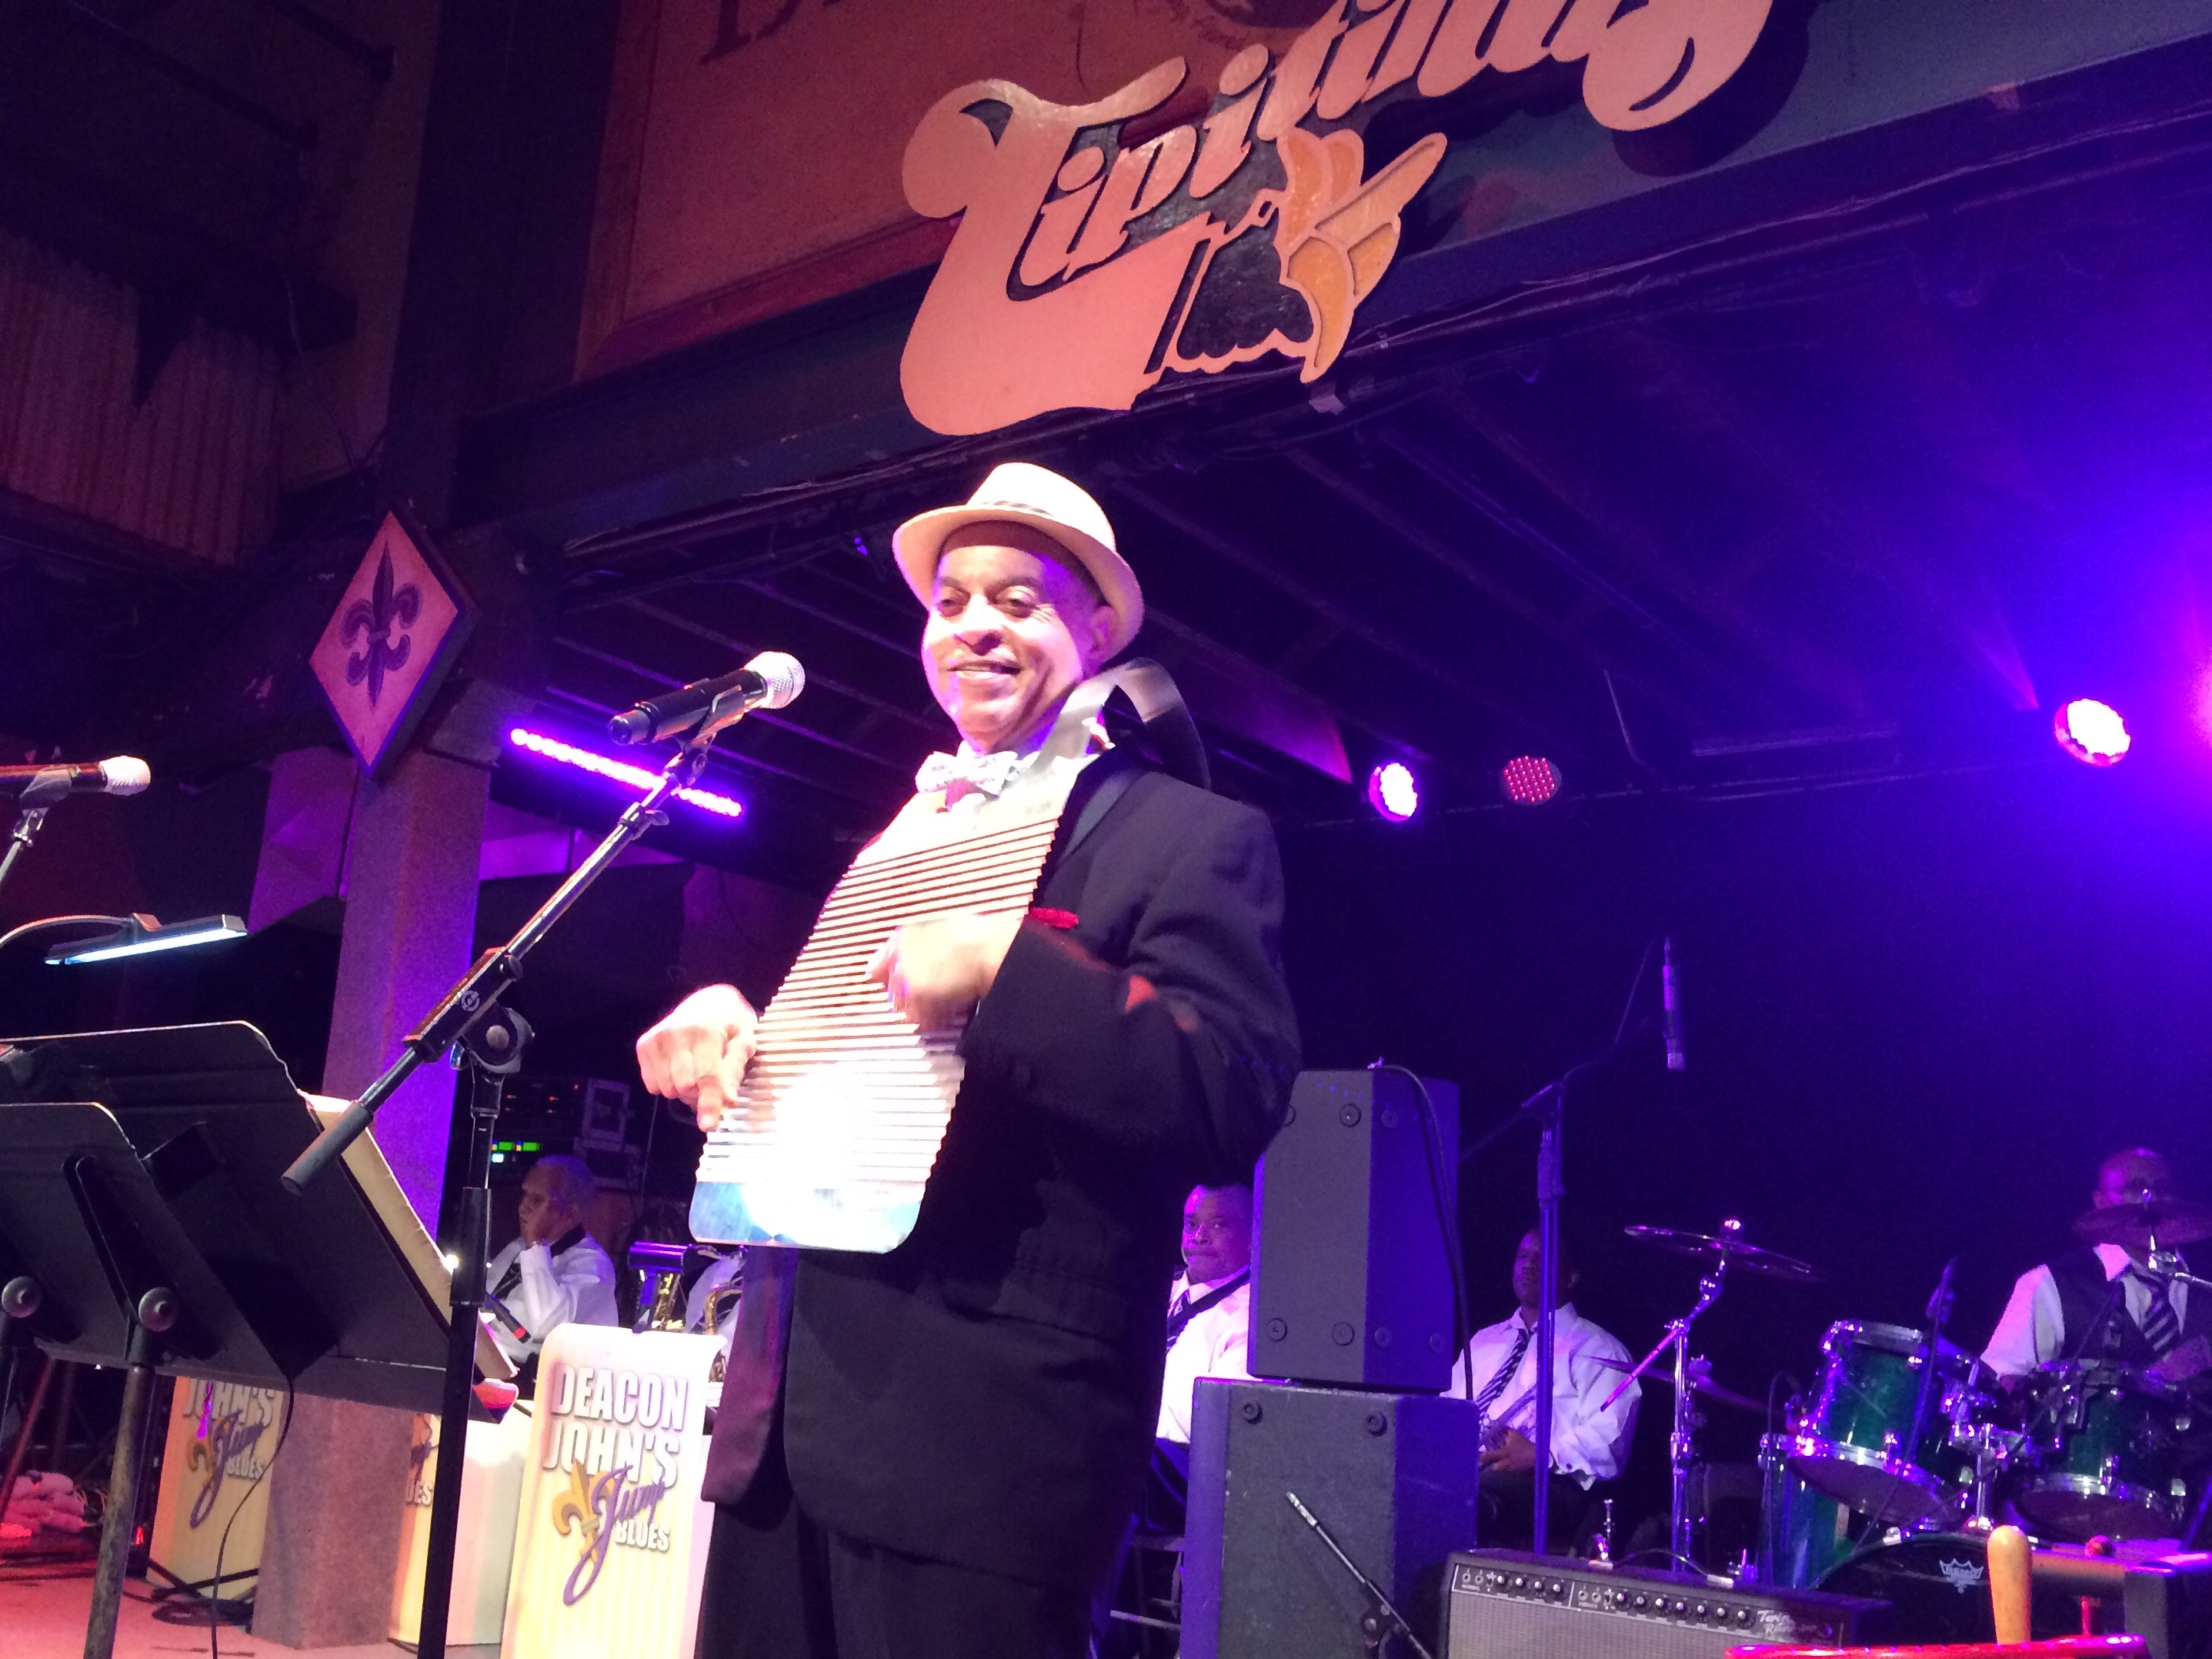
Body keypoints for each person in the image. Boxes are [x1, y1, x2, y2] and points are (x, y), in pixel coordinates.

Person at [636, 462, 1300, 1659]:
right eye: (950, 603)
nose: (975, 626)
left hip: (984, 1459)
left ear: (1097, 630)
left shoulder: (1185, 834)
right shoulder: (896, 841)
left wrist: (1010, 968)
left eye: (1018, 600)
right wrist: (735, 1038)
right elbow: (860, 1084)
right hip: (784, 1436)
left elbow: (1232, 1085)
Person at [1452, 1228, 1639, 1549]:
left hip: (1549, 1484)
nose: (1528, 1264)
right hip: (1468, 1467)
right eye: (1522, 1256)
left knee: (1466, 1496)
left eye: (1543, 1258)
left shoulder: (1598, 1349)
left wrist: (1540, 1455)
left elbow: (1609, 1441)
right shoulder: (1483, 1341)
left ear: (1571, 1277)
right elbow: (1448, 1409)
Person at [1983, 1147, 2210, 1380]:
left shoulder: (2204, 1284)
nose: (2152, 1199)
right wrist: (2154, 1379)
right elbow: (2001, 1379)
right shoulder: (2050, 1284)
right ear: (2101, 1202)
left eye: (2163, 1189)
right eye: (2136, 1188)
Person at [482, 1153, 619, 1381]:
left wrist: (535, 1245)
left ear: (570, 1213)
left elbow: (549, 1327)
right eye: (524, 1196)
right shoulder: (517, 1247)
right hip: (486, 1366)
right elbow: (485, 1304)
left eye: (536, 1200)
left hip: (538, 1384)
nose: (522, 1208)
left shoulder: (593, 1265)